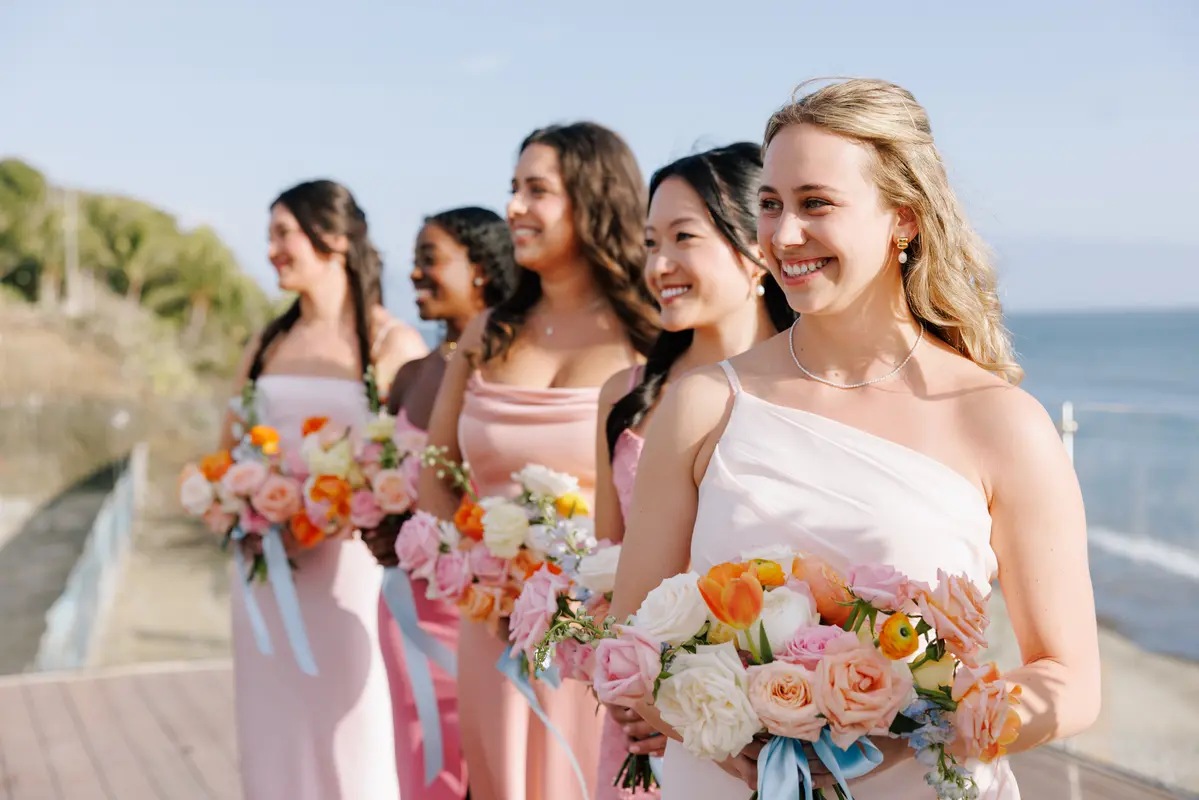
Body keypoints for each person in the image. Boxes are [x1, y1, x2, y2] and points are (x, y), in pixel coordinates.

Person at [610, 79, 1101, 799]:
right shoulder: (705, 405)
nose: (783, 236)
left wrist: (926, 727)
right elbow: (630, 642)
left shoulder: (1000, 422)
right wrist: (720, 733)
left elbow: (1070, 679)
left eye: (815, 203)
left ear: (903, 219)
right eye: (770, 204)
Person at [418, 121, 658, 800]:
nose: (514, 207)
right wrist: (479, 575)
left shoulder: (650, 334)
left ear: (593, 200)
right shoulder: (487, 331)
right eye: (513, 188)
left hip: (596, 632)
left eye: (536, 190)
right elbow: (435, 470)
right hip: (490, 624)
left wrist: (592, 603)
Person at [593, 143, 796, 799]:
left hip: (771, 730)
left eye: (683, 237)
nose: (658, 266)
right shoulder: (624, 396)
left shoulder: (806, 398)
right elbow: (605, 559)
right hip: (638, 728)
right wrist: (635, 691)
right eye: (650, 243)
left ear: (757, 248)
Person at [220, 179, 426, 800]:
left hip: (350, 570)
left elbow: (409, 468)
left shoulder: (390, 343)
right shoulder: (267, 341)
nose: (271, 250)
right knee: (271, 724)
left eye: (283, 234)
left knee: (356, 724)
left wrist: (331, 513)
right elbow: (227, 446)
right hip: (265, 565)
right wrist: (245, 502)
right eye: (270, 236)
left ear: (333, 238)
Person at [371, 205, 518, 799]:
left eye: (429, 259)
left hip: (484, 605)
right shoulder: (410, 376)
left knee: (492, 762)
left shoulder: (507, 370)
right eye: (413, 261)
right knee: (422, 752)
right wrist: (381, 523)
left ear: (480, 267)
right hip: (409, 597)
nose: (414, 273)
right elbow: (388, 479)